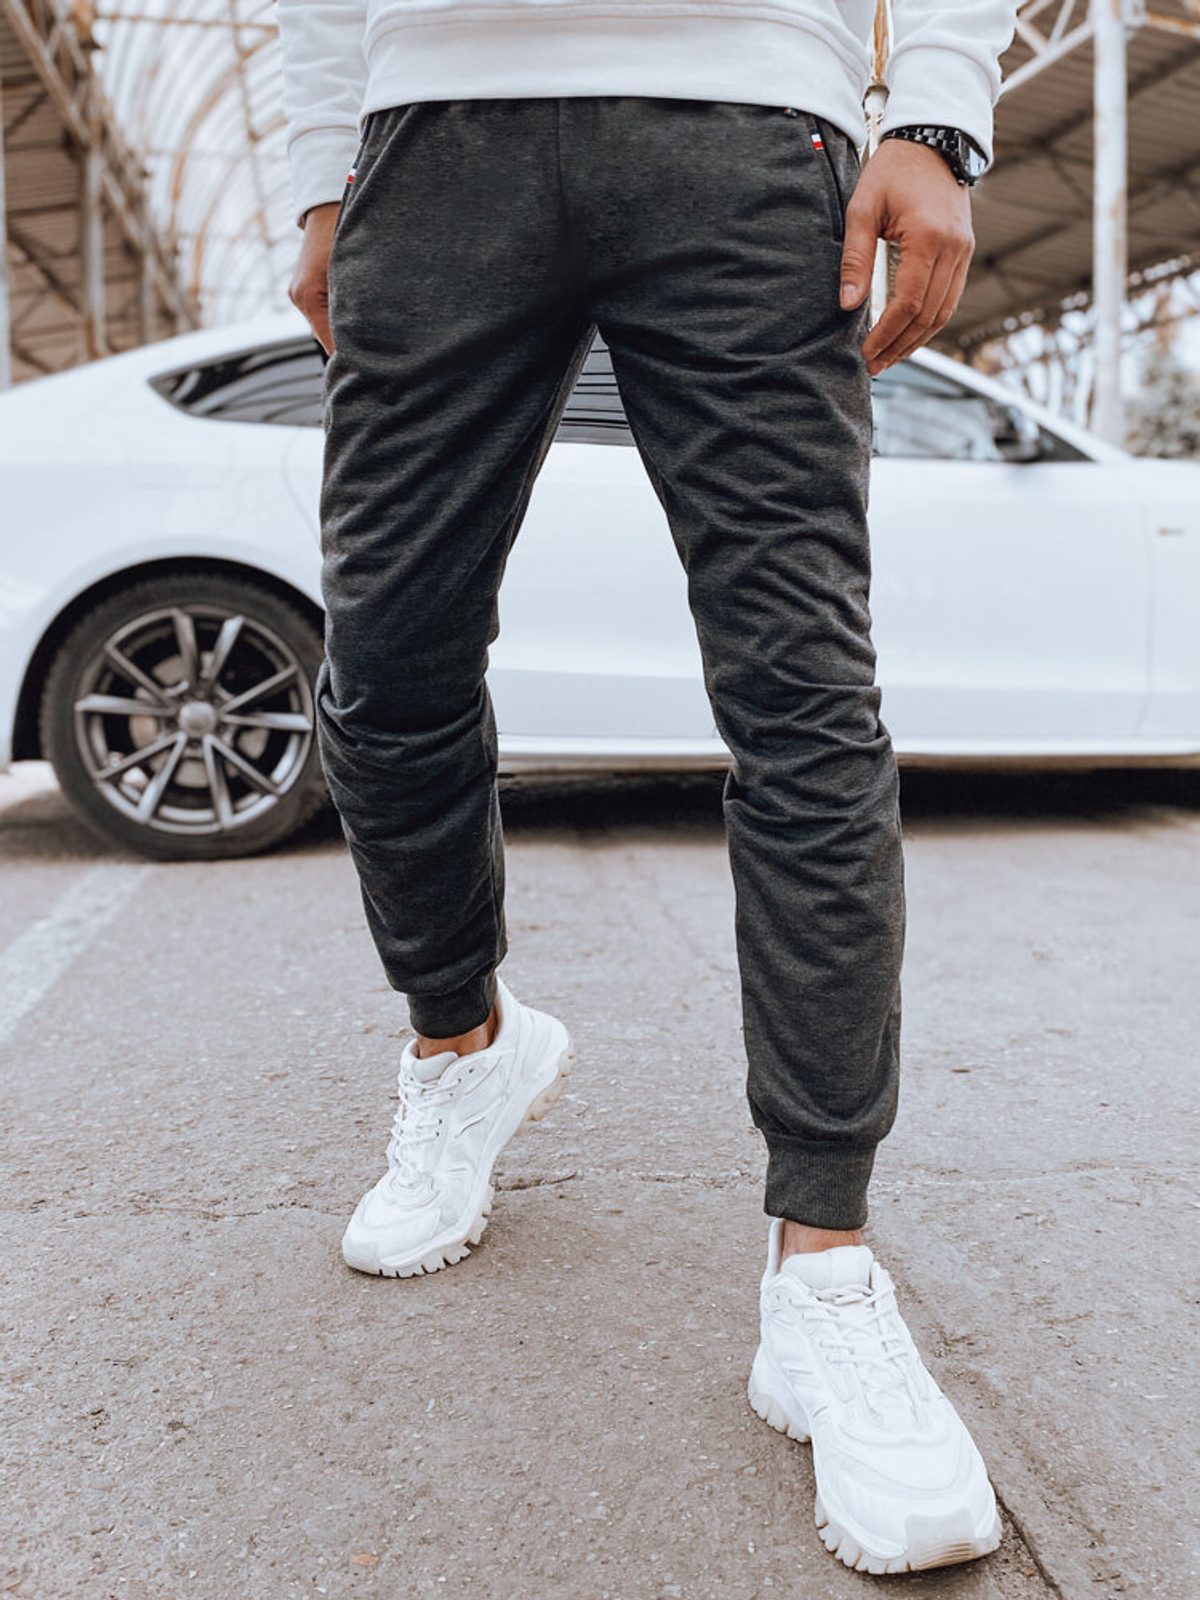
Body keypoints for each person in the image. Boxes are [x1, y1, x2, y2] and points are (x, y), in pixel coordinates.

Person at [277, 0, 1017, 1573]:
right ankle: (464, 1045)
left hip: (746, 117)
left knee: (803, 700)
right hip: (433, 130)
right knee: (387, 668)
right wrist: (319, 179)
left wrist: (938, 112)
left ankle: (823, 1270)